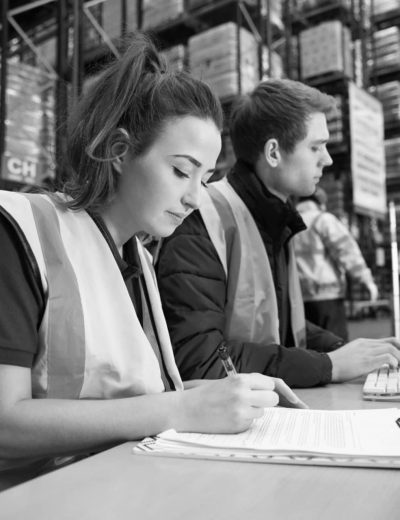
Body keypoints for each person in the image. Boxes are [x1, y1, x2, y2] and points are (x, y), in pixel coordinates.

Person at [0, 36, 302, 491]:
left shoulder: (137, 257)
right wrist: (178, 409)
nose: (194, 197)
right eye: (182, 171)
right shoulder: (19, 230)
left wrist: (216, 394)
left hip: (107, 487)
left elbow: (126, 397)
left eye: (205, 177)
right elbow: (5, 422)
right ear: (119, 152)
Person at [156, 78, 400, 388]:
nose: (328, 158)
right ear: (273, 152)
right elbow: (200, 360)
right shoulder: (201, 217)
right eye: (316, 146)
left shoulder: (274, 222)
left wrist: (344, 350)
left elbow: (282, 327)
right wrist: (326, 366)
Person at [294, 187, 379, 341]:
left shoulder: (289, 222)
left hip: (299, 299)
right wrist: (366, 279)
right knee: (335, 346)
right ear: (320, 203)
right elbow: (347, 251)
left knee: (310, 349)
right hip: (328, 298)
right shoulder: (323, 219)